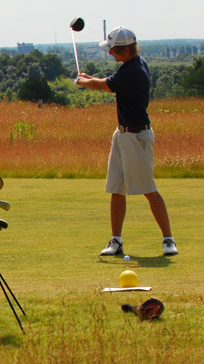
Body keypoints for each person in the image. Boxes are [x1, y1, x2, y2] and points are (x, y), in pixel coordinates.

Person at [76, 26, 177, 257]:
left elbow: (105, 85)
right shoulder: (132, 65)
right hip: (122, 135)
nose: (110, 54)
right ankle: (116, 241)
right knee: (116, 188)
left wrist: (82, 82)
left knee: (148, 189)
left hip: (137, 137)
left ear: (125, 49)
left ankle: (168, 239)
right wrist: (88, 79)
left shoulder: (132, 71)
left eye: (113, 50)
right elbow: (107, 82)